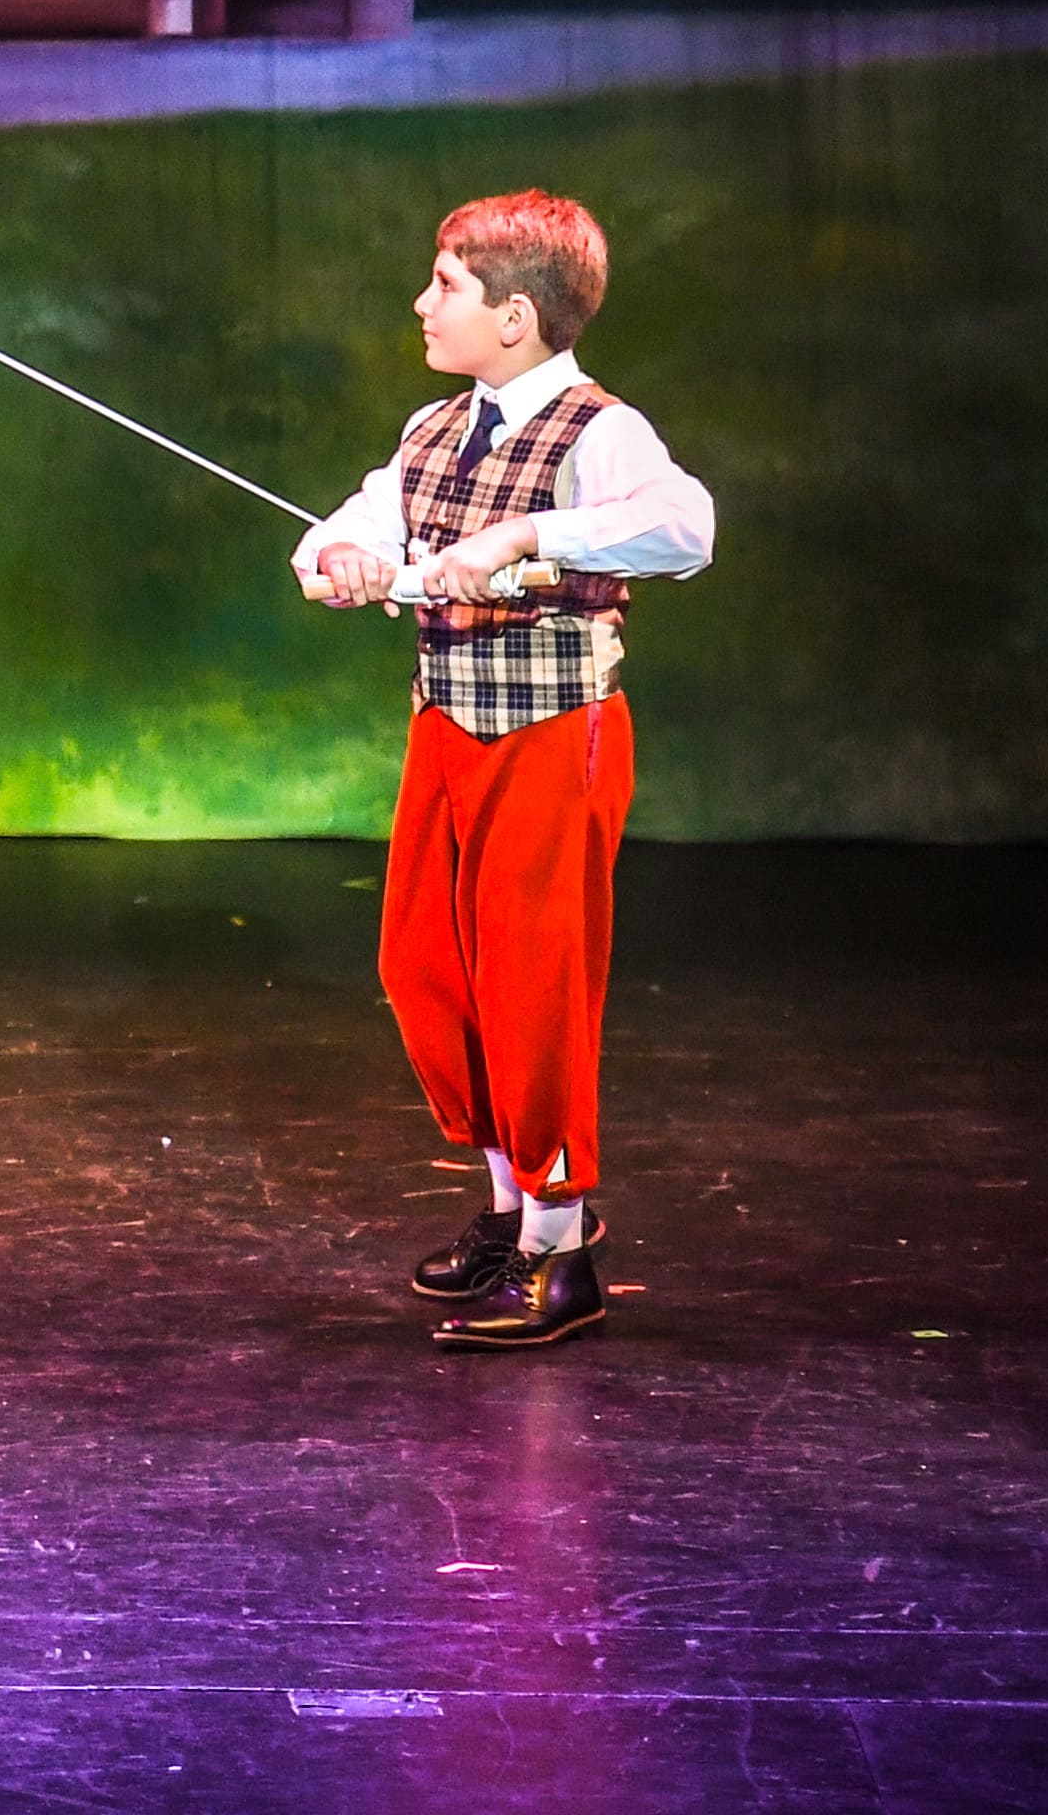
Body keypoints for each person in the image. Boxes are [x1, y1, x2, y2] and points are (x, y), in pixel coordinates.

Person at [291, 191, 715, 1349]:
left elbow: (685, 529)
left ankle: (562, 1243)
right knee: (424, 966)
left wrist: (530, 537)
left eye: (443, 286)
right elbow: (363, 524)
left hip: (551, 733)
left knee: (535, 979)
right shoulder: (432, 427)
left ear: (515, 314)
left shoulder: (595, 432)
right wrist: (339, 558)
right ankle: (507, 1211)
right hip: (447, 727)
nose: (421, 303)